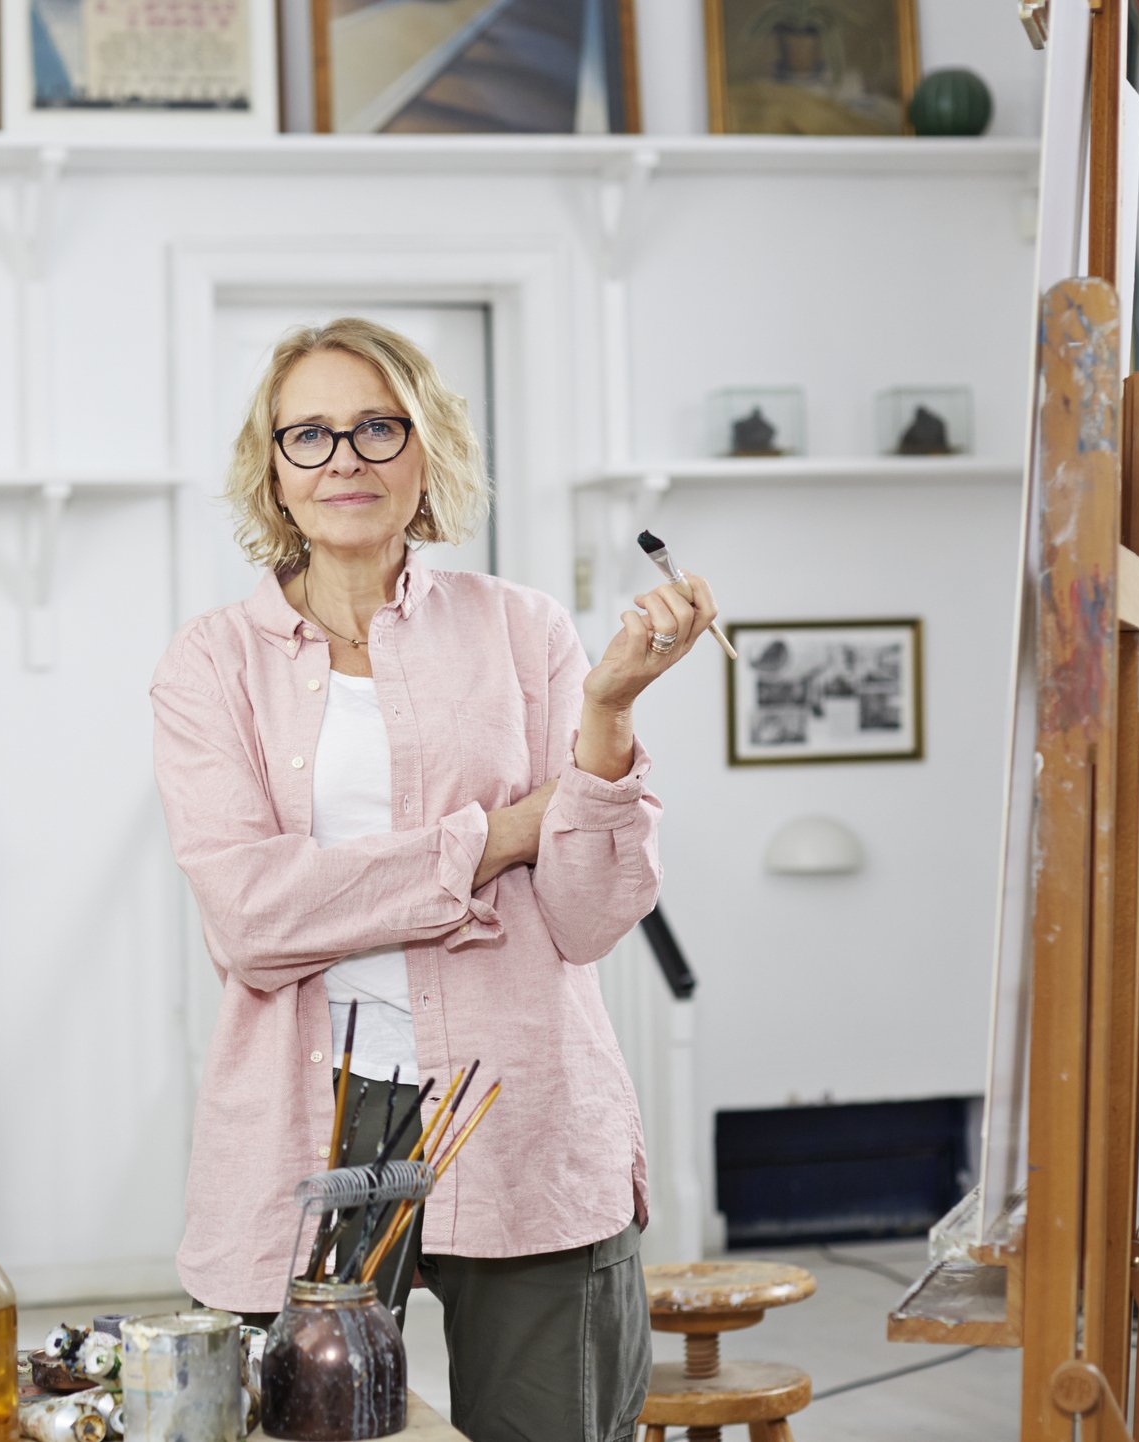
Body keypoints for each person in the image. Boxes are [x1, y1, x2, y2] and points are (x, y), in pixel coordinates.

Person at [149, 317, 718, 1442]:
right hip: (302, 1122)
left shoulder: (523, 631)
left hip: (523, 1104)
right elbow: (253, 919)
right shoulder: (210, 662)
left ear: (424, 450)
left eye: (374, 426)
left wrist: (604, 718)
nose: (343, 458)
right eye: (306, 434)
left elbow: (587, 911)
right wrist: (492, 834)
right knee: (307, 1426)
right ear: (270, 467)